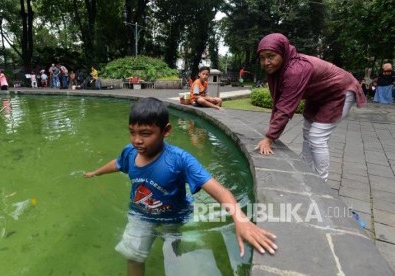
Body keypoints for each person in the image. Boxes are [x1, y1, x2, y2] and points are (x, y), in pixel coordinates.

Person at [84, 97, 277, 276]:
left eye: (145, 134)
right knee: (133, 255)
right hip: (140, 213)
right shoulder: (130, 152)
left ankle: (173, 247)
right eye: (132, 132)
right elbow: (118, 163)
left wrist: (239, 218)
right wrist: (96, 172)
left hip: (174, 215)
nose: (137, 140)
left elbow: (219, 190)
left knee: (172, 247)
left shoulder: (180, 160)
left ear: (166, 131)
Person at [255, 33, 366, 181]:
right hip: (317, 95)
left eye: (271, 56)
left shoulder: (296, 70)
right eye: (262, 58)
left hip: (339, 92)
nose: (266, 62)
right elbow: (280, 101)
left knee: (317, 137)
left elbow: (285, 108)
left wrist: (269, 138)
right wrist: (271, 134)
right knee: (307, 133)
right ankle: (307, 174)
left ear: (282, 52)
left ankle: (322, 182)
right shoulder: (279, 69)